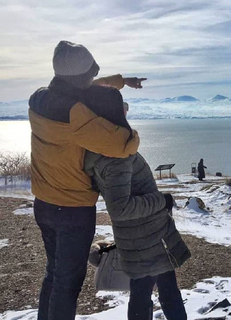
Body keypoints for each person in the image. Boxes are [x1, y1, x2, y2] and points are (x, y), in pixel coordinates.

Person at [28, 40, 145, 320]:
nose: (93, 77)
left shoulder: (40, 98)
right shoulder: (77, 114)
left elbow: (85, 87)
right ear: (81, 78)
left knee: (53, 274)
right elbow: (123, 144)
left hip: (43, 202)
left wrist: (120, 81)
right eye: (89, 74)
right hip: (72, 209)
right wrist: (131, 127)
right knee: (67, 285)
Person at [84, 99, 190, 320]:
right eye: (122, 109)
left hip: (140, 237)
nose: (126, 112)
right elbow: (120, 208)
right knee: (158, 293)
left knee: (148, 291)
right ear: (112, 116)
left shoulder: (104, 148)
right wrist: (161, 201)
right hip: (147, 238)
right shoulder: (116, 157)